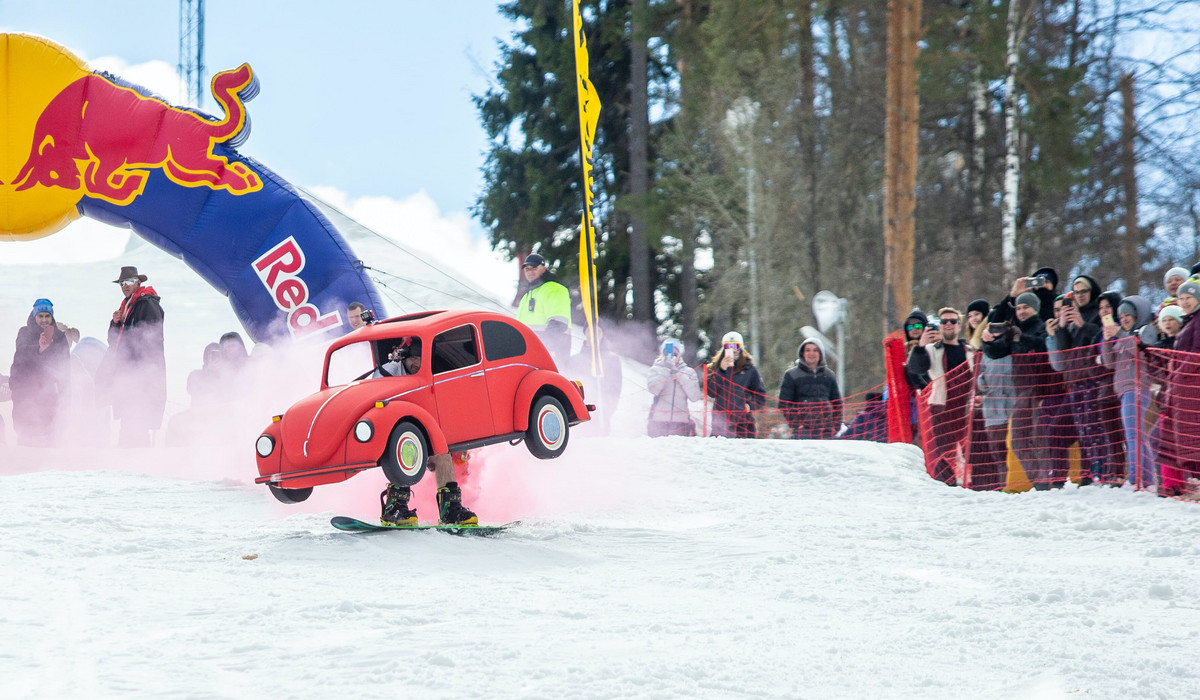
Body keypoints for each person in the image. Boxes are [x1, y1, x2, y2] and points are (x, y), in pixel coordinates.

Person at [379, 344, 478, 526]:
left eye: (420, 359)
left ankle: (450, 510)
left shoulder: (433, 370)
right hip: (396, 430)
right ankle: (395, 507)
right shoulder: (388, 372)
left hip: (427, 426)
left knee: (443, 454)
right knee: (407, 450)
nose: (417, 363)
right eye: (413, 359)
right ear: (404, 358)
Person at [982, 291, 1051, 488]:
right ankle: (1038, 480)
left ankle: (1048, 479)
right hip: (1020, 392)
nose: (1021, 311)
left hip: (1042, 390)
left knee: (1039, 438)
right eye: (1018, 308)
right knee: (1018, 441)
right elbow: (996, 352)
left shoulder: (1042, 326)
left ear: (1035, 309)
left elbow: (1044, 345)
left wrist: (1022, 337)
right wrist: (986, 341)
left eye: (1025, 307)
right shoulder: (1013, 330)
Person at [97, 266, 166, 447]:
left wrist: (139, 370)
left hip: (139, 376)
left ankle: (136, 461)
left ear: (138, 282)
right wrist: (115, 323)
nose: (124, 286)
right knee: (130, 421)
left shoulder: (146, 303)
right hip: (128, 375)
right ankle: (129, 460)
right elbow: (114, 341)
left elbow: (151, 340)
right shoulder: (128, 305)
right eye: (121, 283)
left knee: (136, 421)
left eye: (128, 282)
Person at [906, 307, 975, 484]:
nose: (948, 324)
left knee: (970, 451)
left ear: (959, 325)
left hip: (966, 408)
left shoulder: (969, 351)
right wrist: (920, 345)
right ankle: (947, 486)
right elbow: (915, 368)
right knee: (942, 453)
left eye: (952, 321)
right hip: (940, 407)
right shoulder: (931, 349)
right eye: (944, 322)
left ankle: (970, 484)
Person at [9, 299, 71, 446]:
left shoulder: (59, 337)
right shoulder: (24, 332)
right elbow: (20, 354)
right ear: (34, 316)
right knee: (26, 433)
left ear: (52, 317)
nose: (44, 320)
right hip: (25, 391)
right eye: (40, 316)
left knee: (50, 433)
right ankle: (25, 463)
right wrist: (39, 349)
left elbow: (64, 367)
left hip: (49, 393)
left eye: (47, 316)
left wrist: (66, 394)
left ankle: (49, 465)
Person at [703, 331, 766, 438]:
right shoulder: (714, 367)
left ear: (741, 347)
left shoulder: (749, 369)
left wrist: (749, 406)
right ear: (723, 347)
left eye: (735, 346)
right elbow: (711, 392)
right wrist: (721, 370)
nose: (732, 350)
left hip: (743, 423)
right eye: (728, 346)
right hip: (720, 423)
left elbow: (761, 396)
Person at [778, 338, 843, 439]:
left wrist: (836, 426)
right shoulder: (791, 375)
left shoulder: (829, 375)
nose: (811, 353)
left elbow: (837, 403)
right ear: (802, 353)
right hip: (803, 431)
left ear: (820, 353)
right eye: (808, 350)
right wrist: (797, 424)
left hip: (827, 430)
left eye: (815, 350)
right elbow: (784, 403)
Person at [514, 253, 572, 360]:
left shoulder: (554, 289)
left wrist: (546, 350)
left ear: (544, 268)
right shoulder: (527, 296)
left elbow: (558, 325)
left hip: (550, 356)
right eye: (527, 269)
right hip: (528, 356)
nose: (530, 272)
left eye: (534, 268)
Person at [646, 338, 702, 437]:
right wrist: (666, 370)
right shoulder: (656, 369)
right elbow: (654, 389)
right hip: (658, 421)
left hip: (681, 422)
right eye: (668, 353)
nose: (671, 357)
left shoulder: (689, 372)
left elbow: (695, 397)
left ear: (680, 355)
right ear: (662, 354)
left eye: (675, 354)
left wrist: (679, 375)